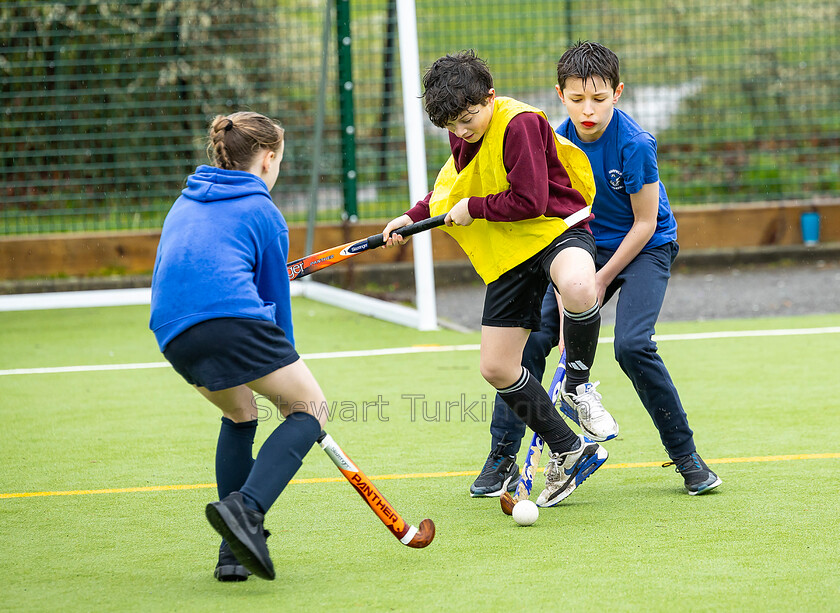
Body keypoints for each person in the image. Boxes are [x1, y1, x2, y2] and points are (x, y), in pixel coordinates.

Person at [472, 41, 721, 497]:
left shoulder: (635, 144)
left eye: (600, 99)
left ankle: (687, 457)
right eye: (577, 99)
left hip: (644, 248)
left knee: (632, 346)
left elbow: (646, 223)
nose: (588, 110)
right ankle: (502, 458)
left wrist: (597, 285)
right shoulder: (551, 138)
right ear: (559, 95)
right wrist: (575, 291)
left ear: (618, 92)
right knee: (530, 344)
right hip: (579, 248)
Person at [381, 50, 618, 507]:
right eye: (451, 125)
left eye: (468, 118)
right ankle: (570, 450)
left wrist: (474, 210)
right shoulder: (464, 131)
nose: (462, 131)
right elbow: (453, 186)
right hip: (510, 251)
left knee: (579, 285)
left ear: (490, 97)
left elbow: (529, 200)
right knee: (497, 366)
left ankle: (578, 384)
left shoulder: (520, 123)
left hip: (555, 229)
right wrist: (409, 218)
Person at [150, 111, 329, 582]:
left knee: (240, 414)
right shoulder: (263, 211)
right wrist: (289, 366)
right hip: (232, 320)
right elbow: (275, 305)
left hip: (173, 331)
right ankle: (247, 510)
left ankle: (232, 553)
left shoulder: (183, 203)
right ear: (268, 159)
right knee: (310, 408)